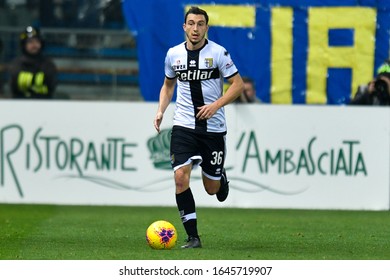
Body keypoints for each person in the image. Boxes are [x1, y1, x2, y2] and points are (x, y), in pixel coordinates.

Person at [153, 6, 244, 249]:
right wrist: (161, 109)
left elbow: (238, 85)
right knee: (180, 178)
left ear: (206, 27)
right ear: (184, 27)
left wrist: (216, 105)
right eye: (191, 23)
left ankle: (220, 177)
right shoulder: (173, 54)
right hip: (183, 125)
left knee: (211, 188)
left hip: (213, 128)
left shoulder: (218, 53)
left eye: (200, 24)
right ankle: (193, 237)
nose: (195, 28)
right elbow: (168, 86)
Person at [8, 26, 57, 99]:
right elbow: (13, 89)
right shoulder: (16, 64)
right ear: (24, 45)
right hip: (19, 104)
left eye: (37, 42)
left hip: (45, 104)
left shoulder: (48, 64)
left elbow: (51, 87)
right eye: (30, 42)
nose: (34, 45)